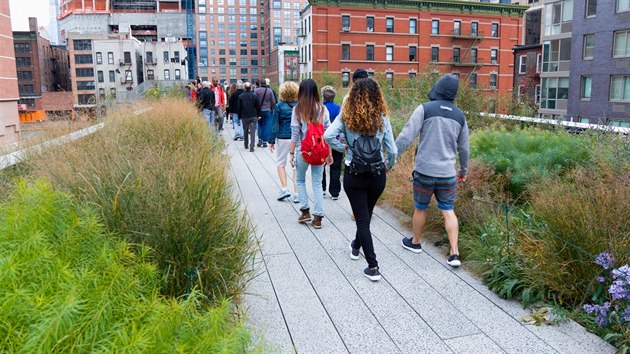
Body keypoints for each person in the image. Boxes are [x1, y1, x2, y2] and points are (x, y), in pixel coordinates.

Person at [324, 78, 397, 281]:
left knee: (363, 219)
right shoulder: (382, 117)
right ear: (377, 96)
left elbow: (328, 135)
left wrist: (344, 148)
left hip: (353, 173)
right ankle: (356, 246)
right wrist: (387, 166)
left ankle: (373, 266)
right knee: (366, 215)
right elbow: (392, 150)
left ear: (353, 96)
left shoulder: (346, 116)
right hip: (377, 174)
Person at [394, 74, 470, 268]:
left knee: (421, 207)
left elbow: (406, 136)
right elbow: (464, 148)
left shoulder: (425, 109)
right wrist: (463, 169)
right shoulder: (460, 115)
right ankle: (454, 253)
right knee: (448, 210)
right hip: (447, 174)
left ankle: (416, 242)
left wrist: (391, 159)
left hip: (425, 171)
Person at [290, 78, 331, 229]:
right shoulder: (323, 109)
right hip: (320, 151)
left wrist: (291, 152)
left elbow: (295, 134)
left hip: (303, 151)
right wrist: (329, 153)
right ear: (315, 91)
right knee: (317, 184)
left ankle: (305, 211)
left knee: (300, 180)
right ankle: (318, 217)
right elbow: (328, 133)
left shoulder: (297, 110)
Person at [320, 85, 342, 200]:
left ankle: (322, 188)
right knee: (336, 166)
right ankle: (335, 192)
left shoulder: (320, 108)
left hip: (322, 140)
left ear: (323, 96)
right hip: (336, 140)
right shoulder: (339, 109)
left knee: (321, 165)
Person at [237, 82, 262, 152]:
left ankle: (246, 144)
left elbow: (239, 107)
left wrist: (239, 116)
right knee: (253, 131)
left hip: (244, 116)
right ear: (251, 88)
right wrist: (259, 114)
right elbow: (258, 106)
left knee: (245, 130)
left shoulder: (241, 96)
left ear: (244, 88)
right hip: (253, 116)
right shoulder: (254, 96)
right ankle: (252, 146)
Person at [255, 78, 277, 148]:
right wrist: (270, 108)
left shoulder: (256, 90)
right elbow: (273, 102)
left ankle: (259, 140)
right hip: (267, 110)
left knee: (260, 125)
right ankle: (265, 141)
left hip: (258, 111)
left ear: (260, 83)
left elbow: (254, 101)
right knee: (267, 125)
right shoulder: (270, 91)